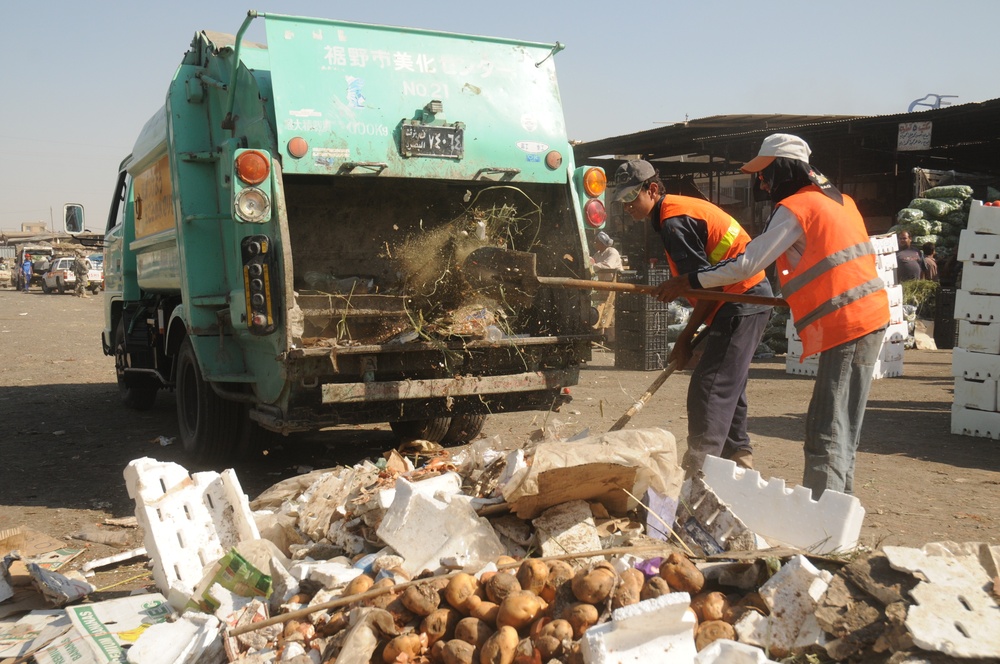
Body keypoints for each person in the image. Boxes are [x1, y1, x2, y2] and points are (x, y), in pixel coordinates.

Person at [654, 134, 889, 499]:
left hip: (848, 321)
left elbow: (748, 263)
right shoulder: (842, 202)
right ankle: (837, 509)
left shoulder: (798, 207)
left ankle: (822, 519)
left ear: (783, 169)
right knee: (843, 428)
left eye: (765, 174)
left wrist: (690, 280)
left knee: (826, 430)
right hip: (869, 315)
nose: (762, 183)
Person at [613, 159, 774, 475]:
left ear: (652, 189)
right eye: (621, 199)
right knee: (728, 383)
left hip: (740, 297)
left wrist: (685, 340)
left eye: (632, 196)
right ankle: (739, 459)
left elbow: (707, 288)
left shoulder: (675, 222)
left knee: (709, 387)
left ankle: (698, 473)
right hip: (740, 297)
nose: (627, 205)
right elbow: (704, 284)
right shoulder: (673, 214)